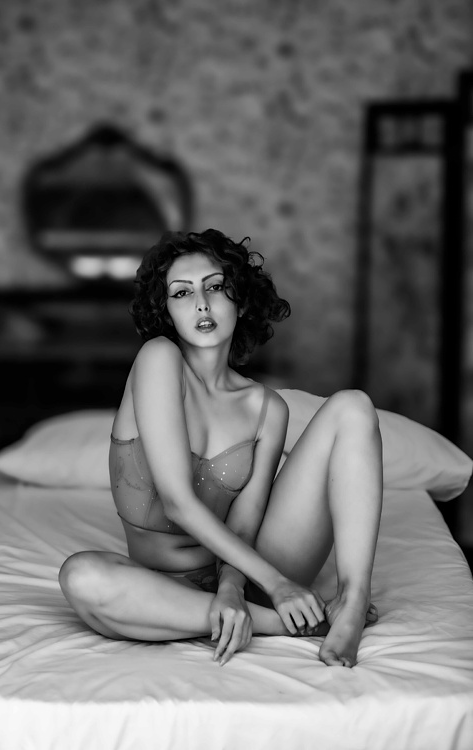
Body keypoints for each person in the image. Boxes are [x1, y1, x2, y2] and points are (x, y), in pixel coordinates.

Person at [59, 229, 383, 668]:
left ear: (241, 301)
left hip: (249, 574)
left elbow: (245, 524)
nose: (201, 304)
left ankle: (351, 599)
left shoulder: (268, 408)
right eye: (182, 293)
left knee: (353, 407)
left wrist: (233, 587)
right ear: (167, 312)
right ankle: (287, 623)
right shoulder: (158, 358)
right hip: (160, 588)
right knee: (81, 576)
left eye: (214, 287)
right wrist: (278, 586)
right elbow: (176, 502)